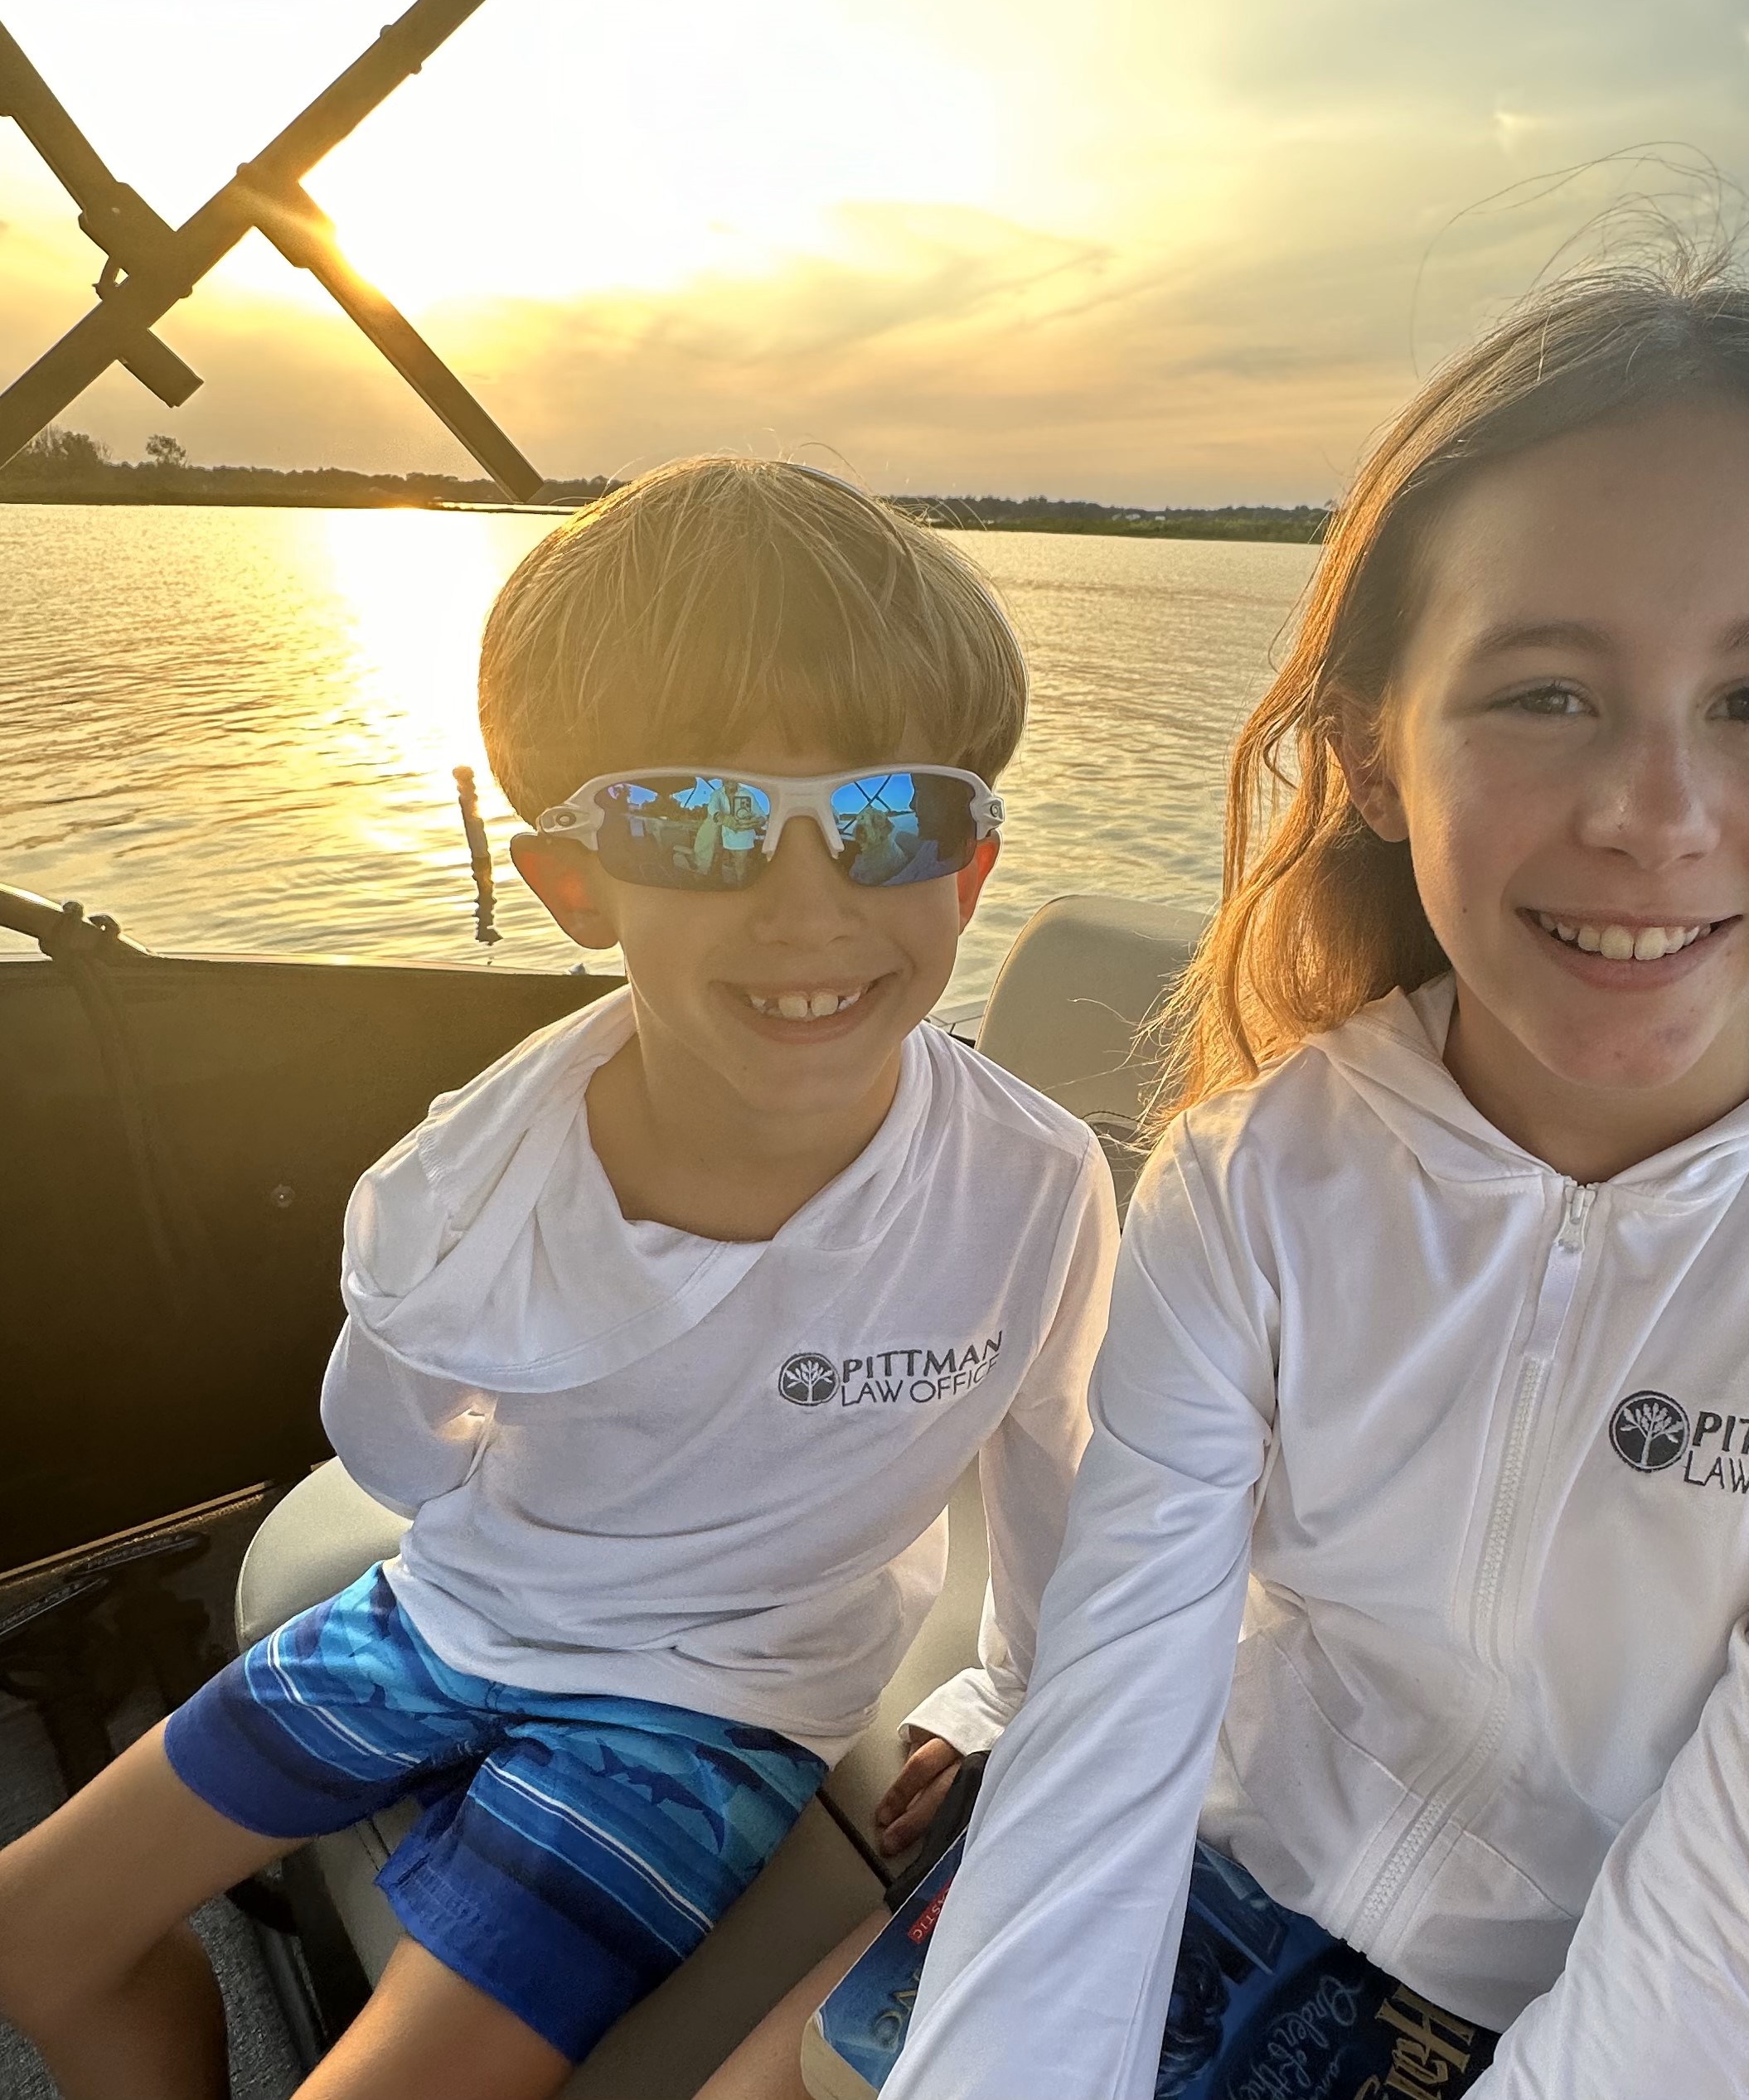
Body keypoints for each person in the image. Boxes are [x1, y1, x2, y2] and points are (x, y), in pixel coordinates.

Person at [705, 253, 1749, 2100]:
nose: (1651, 816)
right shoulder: (1248, 1181)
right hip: (1227, 1878)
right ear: (1371, 753)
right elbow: (1110, 1735)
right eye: (1545, 693)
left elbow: (1748, 1931)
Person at [0, 458, 1117, 2100]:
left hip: (710, 1699)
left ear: (968, 865)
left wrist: (1010, 1689)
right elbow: (400, 1461)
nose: (808, 905)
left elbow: (1051, 1460)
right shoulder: (464, 1182)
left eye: (892, 818)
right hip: (453, 1607)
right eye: (700, 822)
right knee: (33, 1932)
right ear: (573, 883)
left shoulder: (1025, 1180)